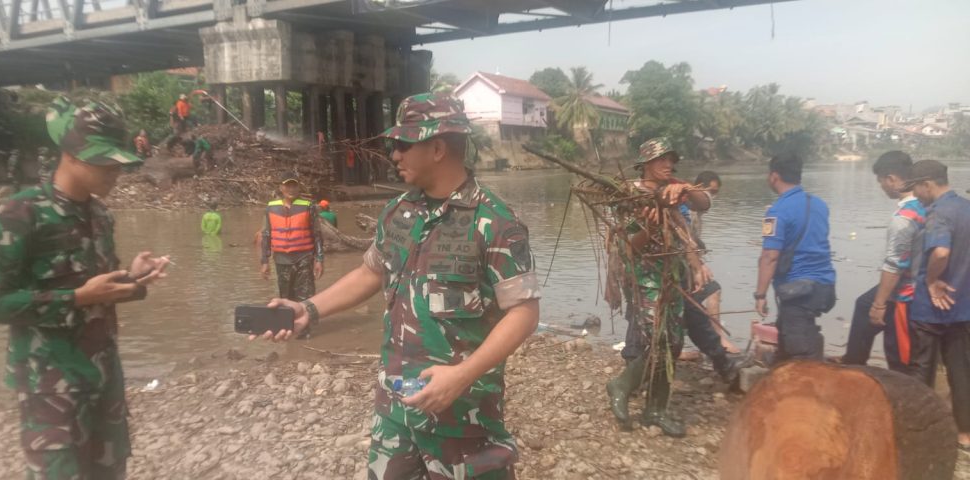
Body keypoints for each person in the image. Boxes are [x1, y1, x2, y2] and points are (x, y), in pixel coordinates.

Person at [253, 92, 541, 478]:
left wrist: (462, 375)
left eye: (403, 145)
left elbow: (524, 312)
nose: (395, 156)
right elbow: (371, 272)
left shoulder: (495, 222)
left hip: (463, 411)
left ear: (437, 147)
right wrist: (309, 308)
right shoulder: (398, 212)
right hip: (397, 403)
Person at [0, 96, 170, 479]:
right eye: (105, 161)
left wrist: (133, 277)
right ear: (72, 155)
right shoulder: (20, 214)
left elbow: (99, 289)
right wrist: (78, 297)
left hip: (103, 377)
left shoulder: (100, 215)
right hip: (51, 387)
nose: (116, 172)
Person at [605, 137, 712, 437]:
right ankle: (621, 385)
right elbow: (627, 247)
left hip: (672, 276)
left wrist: (687, 189)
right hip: (644, 276)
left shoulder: (673, 190)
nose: (668, 164)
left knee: (674, 343)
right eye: (661, 159)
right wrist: (650, 226)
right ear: (646, 165)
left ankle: (656, 411)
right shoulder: (629, 195)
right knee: (657, 340)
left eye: (670, 159)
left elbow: (703, 204)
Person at [902, 159, 970, 449]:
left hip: (930, 309)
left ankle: (919, 433)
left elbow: (940, 252)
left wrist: (931, 281)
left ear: (927, 184)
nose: (916, 195)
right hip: (963, 306)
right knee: (961, 372)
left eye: (916, 188)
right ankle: (965, 435)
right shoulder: (966, 208)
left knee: (921, 371)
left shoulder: (938, 213)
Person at [837, 151, 924, 373]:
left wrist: (880, 304)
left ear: (892, 179)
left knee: (897, 352)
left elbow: (894, 266)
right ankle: (854, 361)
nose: (881, 187)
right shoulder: (926, 204)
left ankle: (856, 366)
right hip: (920, 280)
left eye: (881, 181)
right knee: (862, 304)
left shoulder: (903, 218)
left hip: (905, 289)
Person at [753, 153, 836, 362]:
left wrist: (760, 295)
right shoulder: (819, 204)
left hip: (799, 291)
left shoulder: (777, 212)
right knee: (789, 335)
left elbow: (769, 257)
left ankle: (810, 386)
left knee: (800, 353)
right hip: (825, 286)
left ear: (774, 176)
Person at [676, 170, 741, 384]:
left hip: (683, 271)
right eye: (710, 192)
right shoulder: (688, 210)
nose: (712, 197)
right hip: (679, 272)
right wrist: (698, 266)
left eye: (715, 193)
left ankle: (715, 353)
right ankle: (719, 344)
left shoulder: (694, 211)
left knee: (690, 314)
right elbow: (686, 242)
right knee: (708, 294)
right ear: (697, 188)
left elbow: (691, 242)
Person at [260, 177, 324, 307]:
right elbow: (266, 234)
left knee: (306, 297)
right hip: (281, 260)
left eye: (294, 186)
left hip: (304, 258)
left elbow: (317, 234)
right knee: (286, 298)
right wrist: (265, 262)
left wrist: (319, 259)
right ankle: (291, 325)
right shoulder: (271, 207)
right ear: (281, 188)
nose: (291, 189)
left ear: (299, 188)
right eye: (288, 185)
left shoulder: (308, 206)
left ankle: (308, 325)